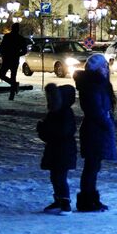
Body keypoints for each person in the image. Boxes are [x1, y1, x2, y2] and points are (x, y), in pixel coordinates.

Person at [74, 54, 117, 212]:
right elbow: (95, 109)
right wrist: (107, 123)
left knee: (94, 166)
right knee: (91, 167)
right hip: (95, 130)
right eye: (104, 66)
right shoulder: (93, 85)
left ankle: (90, 198)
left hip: (97, 129)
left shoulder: (97, 84)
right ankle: (87, 200)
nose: (107, 69)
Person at [37, 83, 79, 212]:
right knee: (55, 177)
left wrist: (45, 129)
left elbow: (63, 132)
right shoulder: (55, 112)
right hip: (56, 150)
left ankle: (65, 202)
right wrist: (43, 130)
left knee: (60, 177)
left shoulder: (65, 113)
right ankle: (59, 200)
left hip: (63, 151)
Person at [0, 23, 29, 101]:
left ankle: (12, 93)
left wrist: (5, 54)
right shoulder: (19, 38)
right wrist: (17, 54)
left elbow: (2, 47)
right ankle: (14, 86)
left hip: (8, 59)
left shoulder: (8, 37)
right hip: (12, 59)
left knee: (3, 75)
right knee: (11, 77)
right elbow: (24, 51)